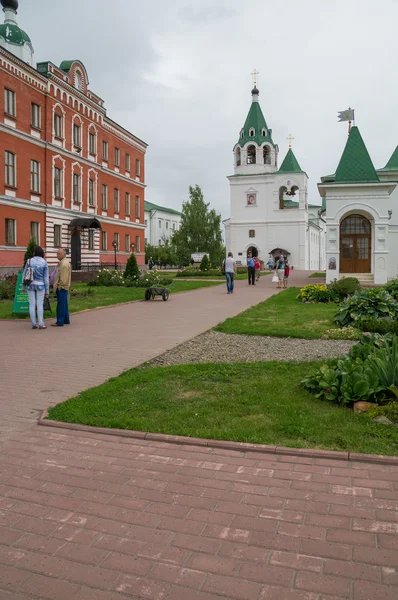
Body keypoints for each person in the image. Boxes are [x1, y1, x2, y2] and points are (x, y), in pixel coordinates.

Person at [22, 246, 49, 330]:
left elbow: (24, 274)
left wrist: (23, 286)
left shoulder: (29, 261)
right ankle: (41, 324)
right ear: (42, 253)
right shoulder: (44, 263)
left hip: (30, 284)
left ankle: (33, 324)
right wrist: (47, 291)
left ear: (34, 252)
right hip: (40, 285)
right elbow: (46, 278)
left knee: (32, 304)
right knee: (40, 305)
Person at [52, 249, 71, 327]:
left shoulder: (63, 264)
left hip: (62, 287)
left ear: (64, 254)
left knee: (61, 304)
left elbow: (63, 278)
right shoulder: (63, 262)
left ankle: (60, 321)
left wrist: (60, 286)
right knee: (64, 304)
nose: (57, 255)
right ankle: (66, 319)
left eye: (59, 253)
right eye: (57, 253)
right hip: (63, 287)